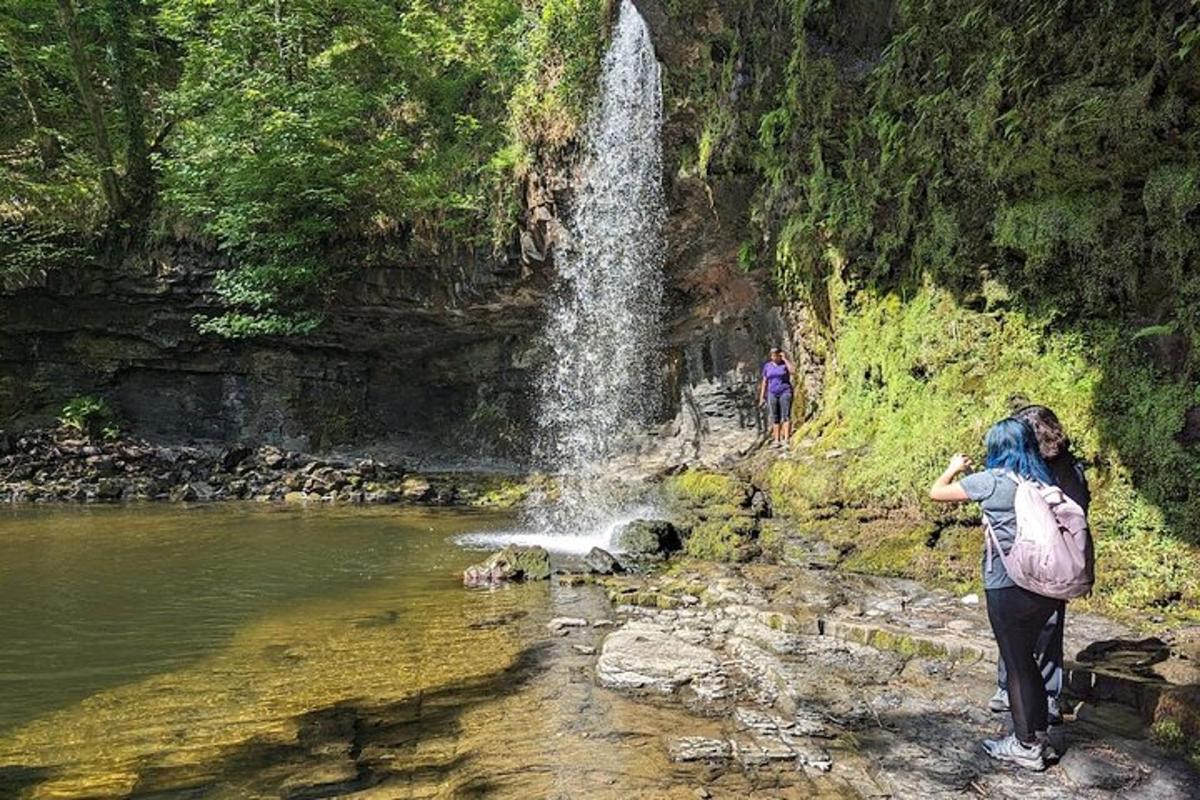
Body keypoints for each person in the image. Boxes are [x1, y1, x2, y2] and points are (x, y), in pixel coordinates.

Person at [929, 418, 1064, 771]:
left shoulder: (990, 481)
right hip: (1045, 587)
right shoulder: (1040, 480)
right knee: (1029, 661)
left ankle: (1025, 745)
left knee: (1017, 665)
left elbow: (937, 492)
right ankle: (1039, 736)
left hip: (1007, 587)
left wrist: (952, 468)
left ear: (996, 448)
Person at [989, 405, 1090, 723]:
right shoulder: (1062, 467)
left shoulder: (1058, 470)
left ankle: (1034, 693)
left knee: (1026, 628)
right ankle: (1034, 691)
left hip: (1040, 559)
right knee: (1035, 627)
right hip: (1037, 558)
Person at [758, 347, 796, 447]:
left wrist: (785, 359)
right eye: (772, 355)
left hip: (785, 391)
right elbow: (765, 381)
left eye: (776, 355)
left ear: (780, 355)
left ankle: (786, 439)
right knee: (775, 417)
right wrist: (762, 397)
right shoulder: (767, 366)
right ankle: (776, 440)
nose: (774, 357)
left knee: (786, 415)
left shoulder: (784, 365)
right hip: (772, 393)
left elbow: (793, 371)